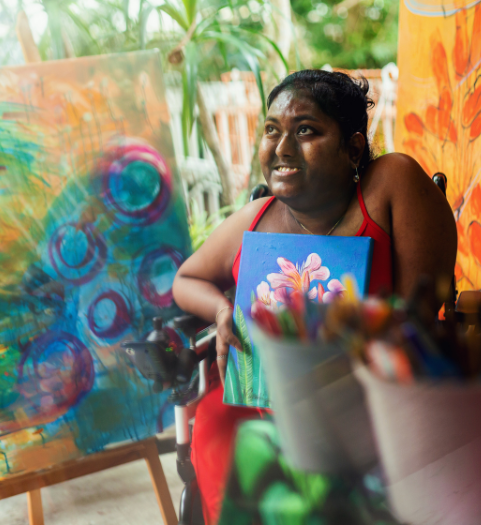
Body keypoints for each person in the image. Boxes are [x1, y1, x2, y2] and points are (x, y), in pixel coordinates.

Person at [171, 69, 458, 524]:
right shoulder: (256, 218)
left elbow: (417, 319)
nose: (282, 148)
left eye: (305, 131)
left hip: (372, 404)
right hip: (258, 407)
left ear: (354, 148)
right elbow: (186, 279)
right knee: (218, 427)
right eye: (272, 130)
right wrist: (222, 310)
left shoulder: (389, 186)